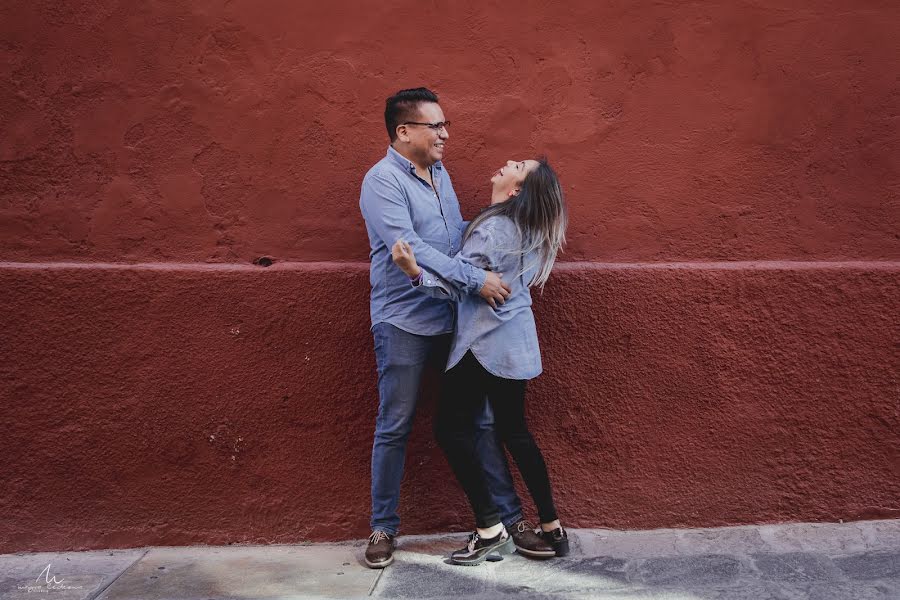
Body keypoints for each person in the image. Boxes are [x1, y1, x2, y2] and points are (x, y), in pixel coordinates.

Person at [359, 88, 551, 568]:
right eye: (435, 126)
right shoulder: (382, 181)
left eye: (445, 125)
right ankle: (383, 526)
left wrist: (498, 232)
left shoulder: (439, 174)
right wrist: (477, 278)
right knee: (396, 423)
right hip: (404, 317)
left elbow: (453, 239)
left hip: (455, 315)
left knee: (480, 421)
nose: (446, 134)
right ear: (404, 132)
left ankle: (510, 520)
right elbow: (413, 249)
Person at [391, 157, 569, 566]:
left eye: (517, 166)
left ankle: (490, 530)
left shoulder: (492, 229)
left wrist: (414, 271)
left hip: (483, 345)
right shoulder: (528, 229)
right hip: (516, 343)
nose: (507, 163)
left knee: (451, 431)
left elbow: (456, 289)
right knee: (514, 431)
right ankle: (551, 526)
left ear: (516, 191)